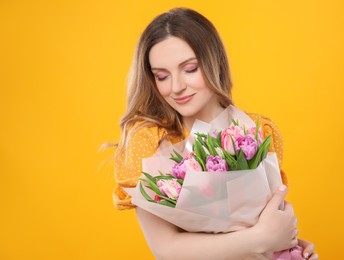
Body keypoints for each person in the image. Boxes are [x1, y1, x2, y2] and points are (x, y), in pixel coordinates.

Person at [111, 7, 318, 260]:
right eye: (162, 76)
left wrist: (288, 244)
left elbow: (265, 217)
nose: (176, 87)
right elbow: (166, 249)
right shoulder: (149, 140)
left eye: (189, 69)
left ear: (214, 62)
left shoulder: (255, 130)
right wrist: (261, 238)